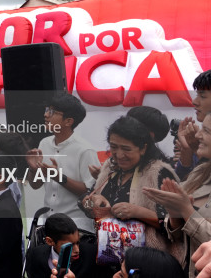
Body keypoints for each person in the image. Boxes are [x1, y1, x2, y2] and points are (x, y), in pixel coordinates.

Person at [80, 116, 184, 268]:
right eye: (113, 147)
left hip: (148, 261)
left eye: (126, 149)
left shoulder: (159, 173)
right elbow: (84, 199)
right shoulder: (110, 168)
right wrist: (92, 202)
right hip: (109, 255)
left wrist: (138, 212)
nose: (119, 154)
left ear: (143, 148)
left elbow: (178, 224)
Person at [143, 112, 211, 277]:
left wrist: (186, 209)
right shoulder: (202, 171)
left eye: (207, 131)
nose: (198, 135)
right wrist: (174, 213)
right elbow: (177, 236)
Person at [26, 92, 100, 232]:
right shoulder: (44, 143)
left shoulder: (85, 149)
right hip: (49, 223)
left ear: (68, 121)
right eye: (47, 110)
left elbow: (91, 192)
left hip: (77, 227)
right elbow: (36, 185)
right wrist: (33, 169)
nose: (46, 115)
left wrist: (58, 177)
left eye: (52, 112)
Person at [25, 213, 99, 278]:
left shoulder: (92, 255)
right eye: (70, 246)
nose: (77, 250)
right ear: (50, 241)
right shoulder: (36, 255)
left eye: (77, 243)